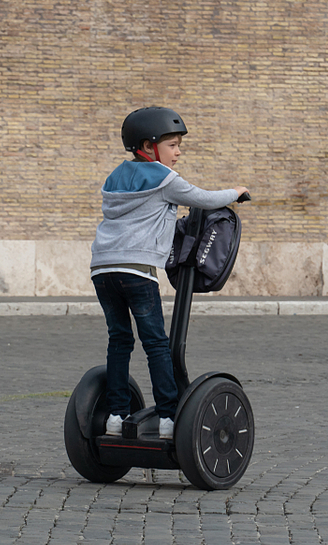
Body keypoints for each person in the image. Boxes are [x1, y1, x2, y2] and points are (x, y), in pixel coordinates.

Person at [91, 107, 248, 439]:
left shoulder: (114, 178)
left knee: (119, 341)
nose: (178, 152)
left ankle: (115, 417)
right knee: (156, 343)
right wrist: (235, 193)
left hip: (103, 269)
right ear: (149, 147)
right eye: (173, 145)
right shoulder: (163, 178)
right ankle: (168, 418)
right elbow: (202, 198)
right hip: (137, 270)